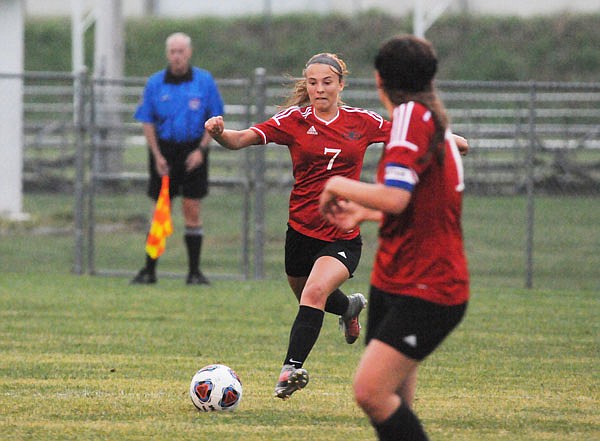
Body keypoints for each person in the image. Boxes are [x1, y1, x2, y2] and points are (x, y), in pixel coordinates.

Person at [204, 52, 392, 399]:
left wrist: (453, 143)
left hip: (342, 235)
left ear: (341, 84)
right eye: (312, 82)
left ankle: (290, 370)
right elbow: (242, 138)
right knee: (311, 297)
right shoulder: (294, 120)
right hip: (301, 232)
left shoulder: (363, 121)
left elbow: (414, 140)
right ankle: (349, 307)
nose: (319, 89)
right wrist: (219, 134)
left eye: (327, 82)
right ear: (307, 85)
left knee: (314, 293)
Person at [319, 35, 469, 441]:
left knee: (370, 391)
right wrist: (367, 211)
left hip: (429, 285)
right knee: (391, 400)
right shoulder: (428, 118)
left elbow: (398, 198)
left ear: (379, 79)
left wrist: (339, 185)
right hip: (396, 278)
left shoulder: (410, 119)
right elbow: (418, 200)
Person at [130, 32, 224, 286]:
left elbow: (215, 118)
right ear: (167, 54)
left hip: (193, 150)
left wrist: (201, 151)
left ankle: (194, 272)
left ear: (189, 53)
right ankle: (149, 270)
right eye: (173, 51)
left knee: (192, 210)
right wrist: (157, 155)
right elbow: (146, 120)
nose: (177, 56)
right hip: (165, 152)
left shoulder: (204, 81)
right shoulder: (155, 83)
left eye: (181, 51)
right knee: (161, 211)